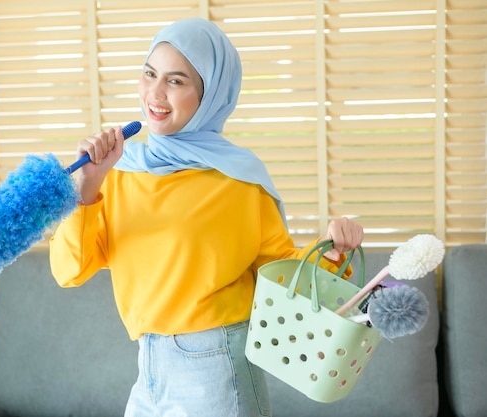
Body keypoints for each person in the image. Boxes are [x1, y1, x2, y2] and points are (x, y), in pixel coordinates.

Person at [50, 17, 364, 417]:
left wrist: (337, 252)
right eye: (150, 74)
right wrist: (88, 187)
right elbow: (68, 271)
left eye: (176, 81)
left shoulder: (239, 182)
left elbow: (284, 273)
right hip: (148, 364)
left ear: (210, 94)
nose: (155, 93)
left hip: (215, 368)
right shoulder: (118, 172)